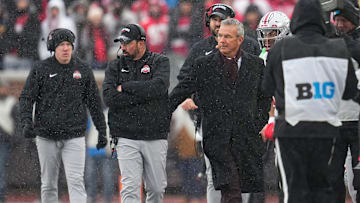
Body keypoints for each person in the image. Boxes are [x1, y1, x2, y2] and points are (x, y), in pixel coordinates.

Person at [262, 0, 358, 202]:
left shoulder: (281, 49)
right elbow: (349, 91)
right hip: (327, 130)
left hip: (291, 129)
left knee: (294, 191)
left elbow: (267, 88)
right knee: (324, 189)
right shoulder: (339, 48)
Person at [169, 18, 269, 203]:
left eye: (227, 37)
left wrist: (258, 123)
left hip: (245, 138)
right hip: (217, 140)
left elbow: (264, 98)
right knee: (231, 187)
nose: (221, 40)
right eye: (220, 36)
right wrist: (163, 111)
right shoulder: (203, 64)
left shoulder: (256, 65)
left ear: (240, 40)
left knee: (241, 190)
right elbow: (182, 88)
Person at [19, 28, 107, 203]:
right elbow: (26, 98)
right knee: (48, 183)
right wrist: (26, 122)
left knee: (76, 181)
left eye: (68, 44)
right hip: (46, 135)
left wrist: (102, 130)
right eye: (61, 45)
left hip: (74, 135)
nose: (66, 48)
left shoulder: (83, 69)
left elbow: (95, 103)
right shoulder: (41, 69)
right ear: (53, 47)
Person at [102, 23, 170, 203]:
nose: (122, 47)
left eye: (127, 43)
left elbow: (159, 87)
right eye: (121, 43)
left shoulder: (160, 61)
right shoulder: (114, 67)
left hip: (155, 135)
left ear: (141, 43)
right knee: (130, 188)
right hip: (125, 135)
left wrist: (125, 87)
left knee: (156, 189)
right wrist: (144, 96)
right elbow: (109, 98)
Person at [256, 10, 290, 202]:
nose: (267, 38)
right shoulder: (262, 59)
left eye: (272, 33)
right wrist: (267, 120)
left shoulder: (292, 55)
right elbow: (263, 94)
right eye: (266, 33)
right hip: (273, 117)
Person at [332, 0, 360, 202]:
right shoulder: (331, 42)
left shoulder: (348, 43)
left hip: (357, 120)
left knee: (356, 179)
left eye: (344, 20)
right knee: (333, 178)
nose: (340, 25)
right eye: (337, 20)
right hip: (337, 119)